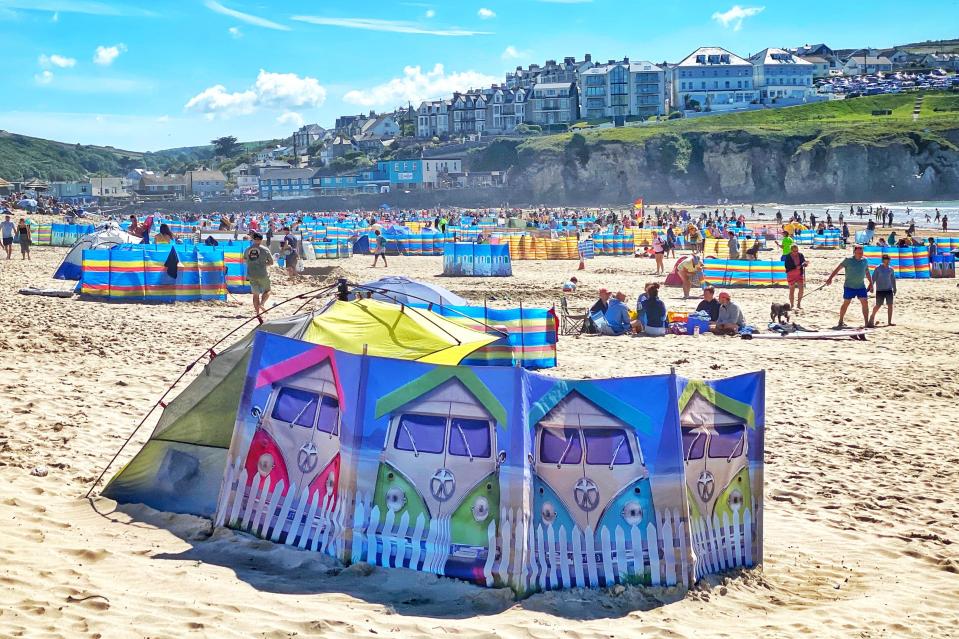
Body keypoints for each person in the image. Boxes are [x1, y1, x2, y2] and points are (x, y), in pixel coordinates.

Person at [825, 245, 873, 328]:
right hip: (849, 286)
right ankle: (840, 321)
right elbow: (837, 269)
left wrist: (871, 283)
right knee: (846, 303)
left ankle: (866, 323)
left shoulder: (865, 261)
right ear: (854, 252)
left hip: (861, 286)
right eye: (858, 253)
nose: (860, 254)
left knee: (865, 303)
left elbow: (867, 272)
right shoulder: (848, 260)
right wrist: (830, 278)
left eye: (861, 253)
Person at [243, 232, 274, 323]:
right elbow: (271, 262)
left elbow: (245, 260)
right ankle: (262, 304)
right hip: (262, 273)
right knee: (267, 290)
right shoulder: (265, 250)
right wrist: (263, 263)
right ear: (261, 240)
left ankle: (257, 313)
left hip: (251, 274)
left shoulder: (247, 249)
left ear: (253, 239)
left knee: (255, 294)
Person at [868, 254, 897, 328]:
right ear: (883, 260)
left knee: (890, 305)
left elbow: (893, 279)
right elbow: (873, 278)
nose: (887, 262)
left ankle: (889, 322)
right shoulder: (878, 268)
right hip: (880, 290)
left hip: (889, 289)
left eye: (888, 261)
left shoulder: (891, 269)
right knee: (878, 305)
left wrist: (894, 288)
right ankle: (872, 316)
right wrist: (871, 287)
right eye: (886, 261)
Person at [783, 244, 809, 309]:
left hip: (799, 274)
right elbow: (787, 266)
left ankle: (799, 304)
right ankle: (792, 305)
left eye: (797, 251)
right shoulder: (788, 256)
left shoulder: (800, 255)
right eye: (794, 251)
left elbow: (803, 262)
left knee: (801, 289)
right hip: (791, 274)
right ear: (791, 251)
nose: (796, 252)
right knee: (792, 290)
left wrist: (805, 264)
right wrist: (795, 267)